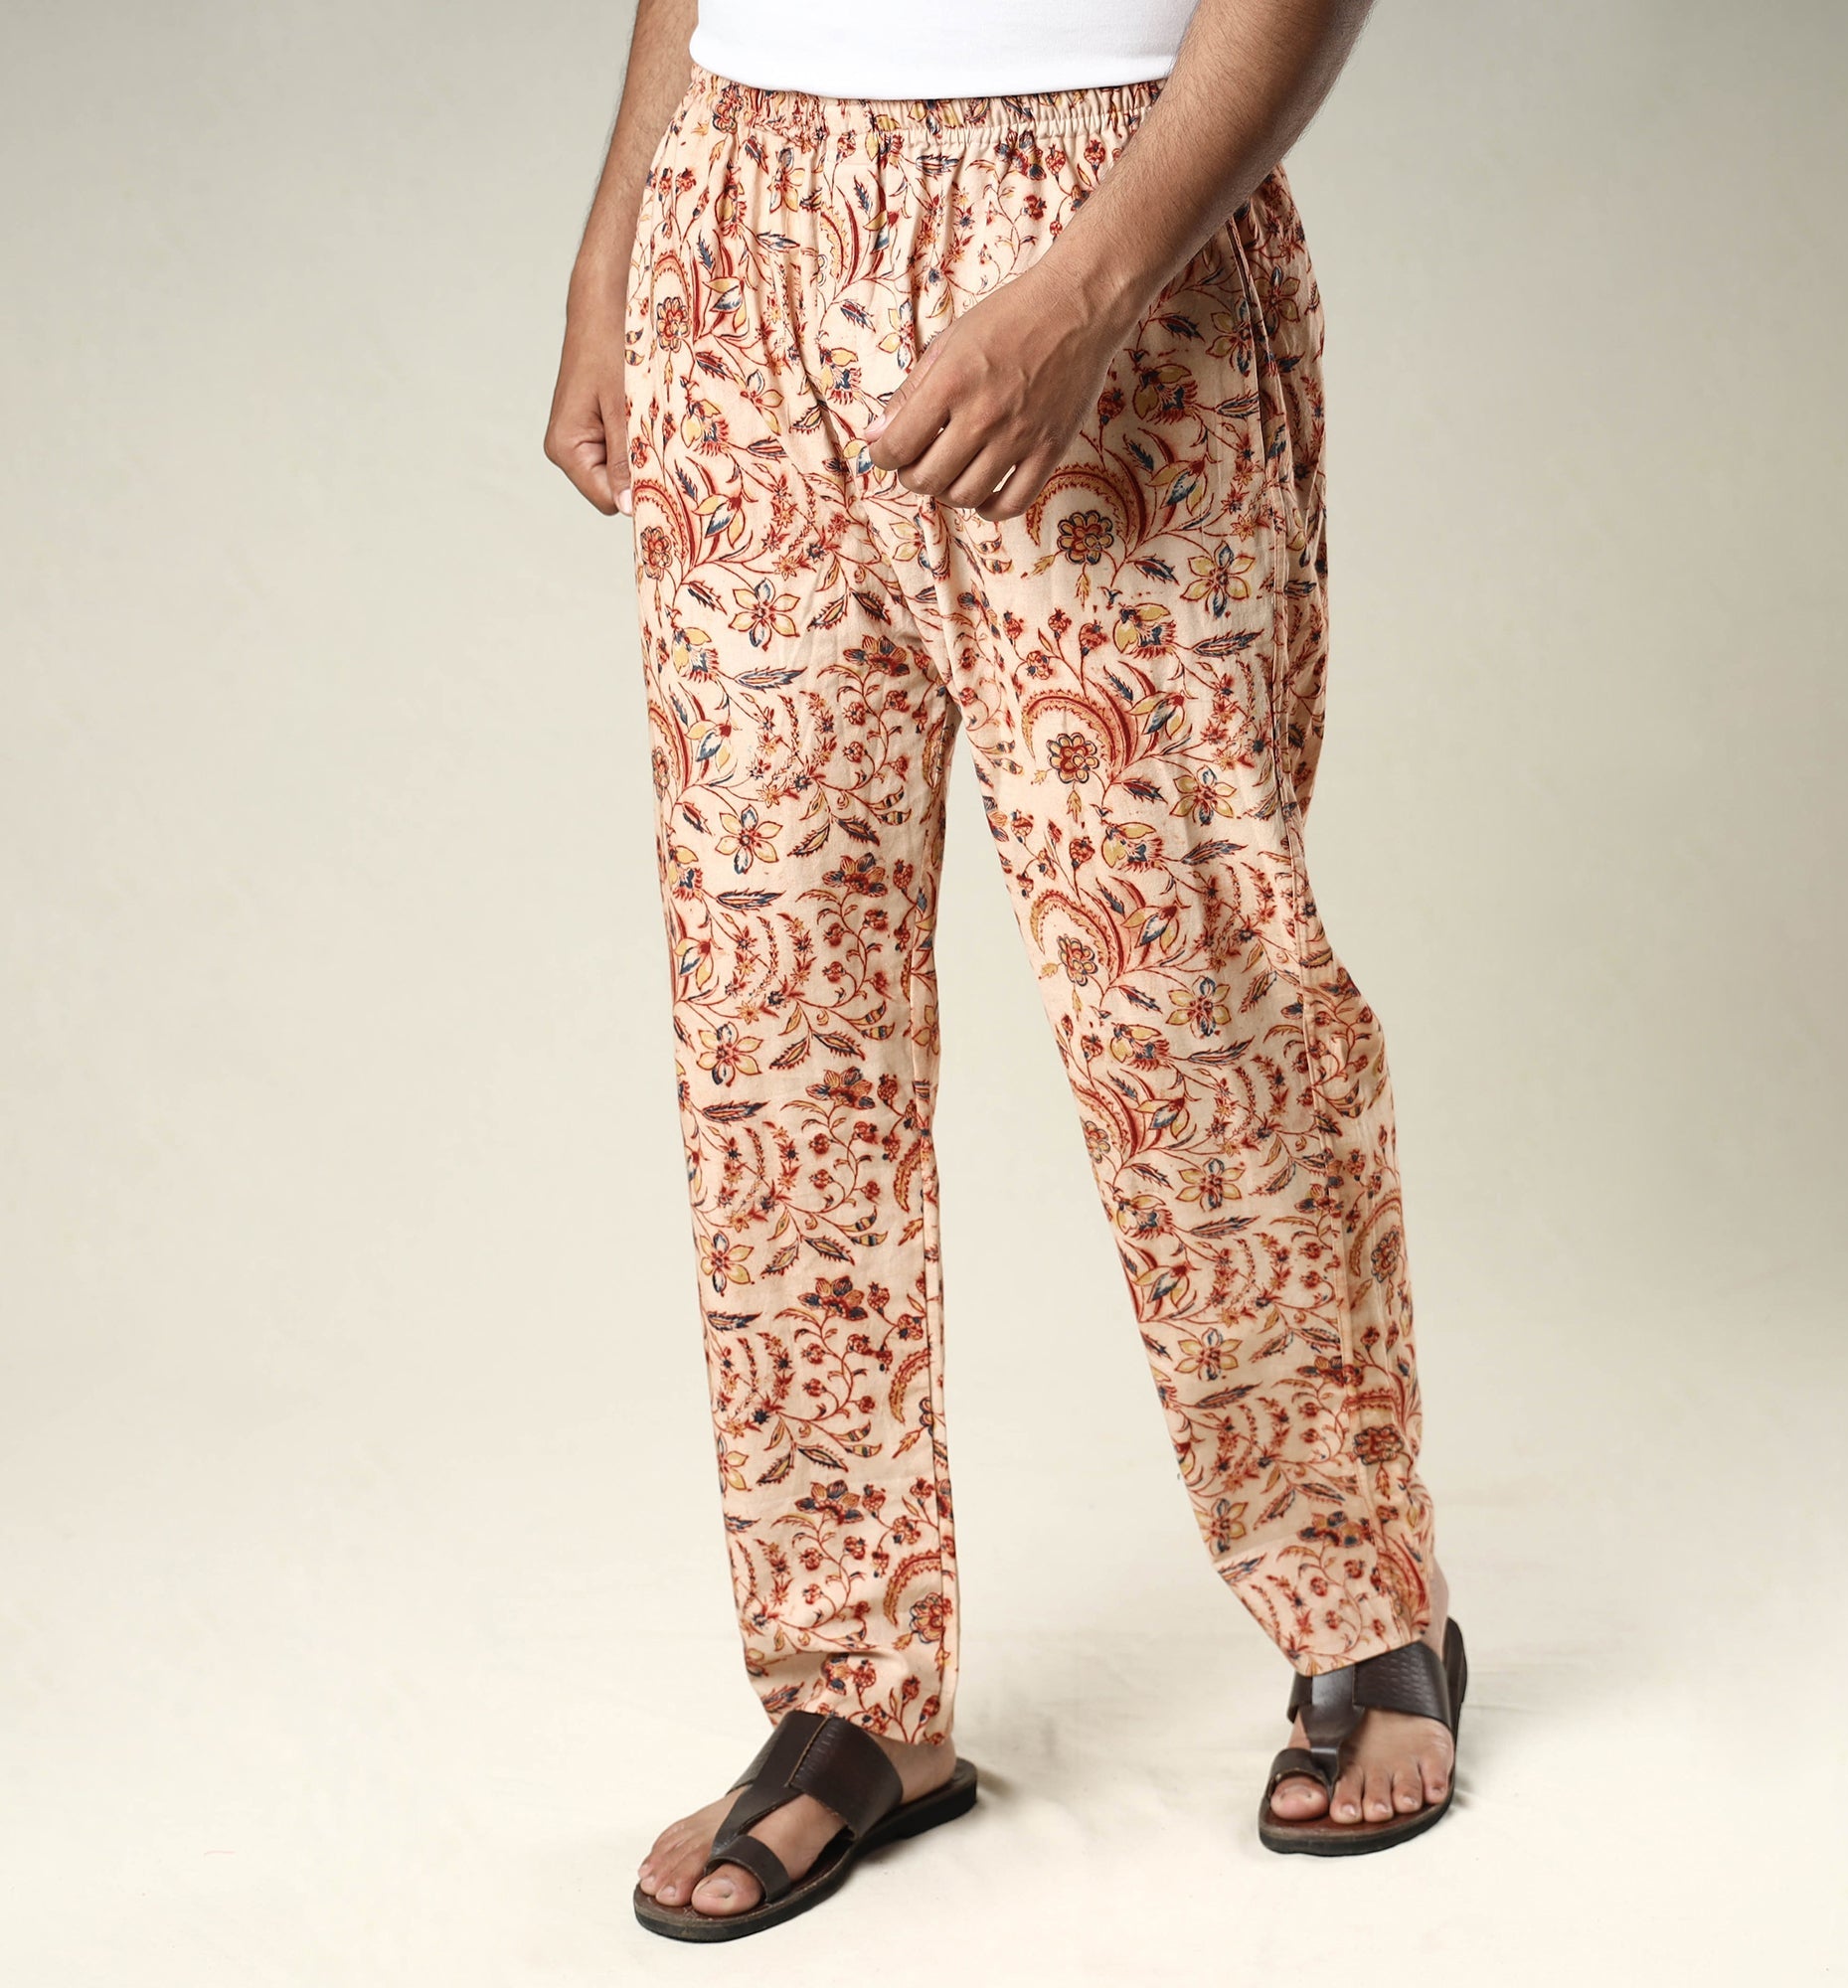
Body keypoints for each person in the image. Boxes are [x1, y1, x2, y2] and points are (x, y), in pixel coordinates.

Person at [546, 0, 1465, 1940]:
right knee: (772, 1016)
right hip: (740, 222)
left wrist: (1092, 288)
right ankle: (850, 1687)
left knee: (1188, 999)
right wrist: (621, 230)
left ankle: (1362, 1605)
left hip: (1093, 208)